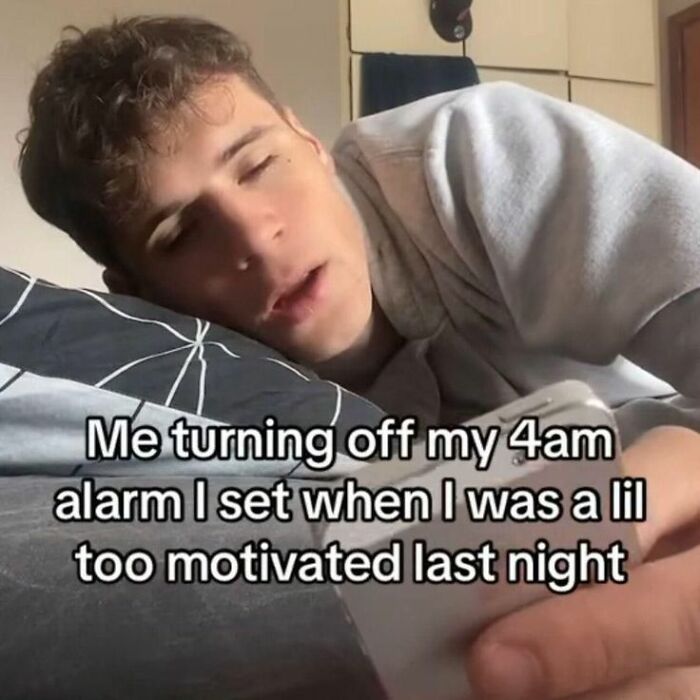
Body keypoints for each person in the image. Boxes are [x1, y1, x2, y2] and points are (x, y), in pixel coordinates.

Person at [17, 15, 700, 699]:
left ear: (310, 141)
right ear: (139, 296)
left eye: (258, 165)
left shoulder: (471, 151)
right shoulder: (201, 401)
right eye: (180, 234)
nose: (254, 235)